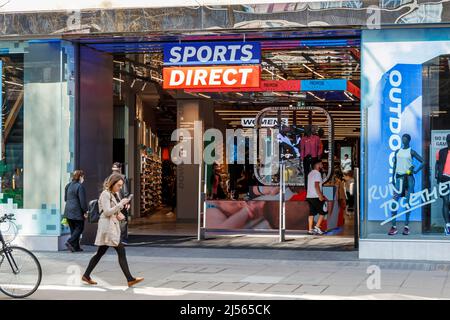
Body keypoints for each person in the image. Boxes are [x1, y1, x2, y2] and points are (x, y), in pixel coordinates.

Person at [82, 173, 144, 287]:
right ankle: (130, 279)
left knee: (100, 253)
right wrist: (121, 204)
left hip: (110, 226)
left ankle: (86, 275)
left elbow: (112, 210)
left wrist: (120, 212)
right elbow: (106, 212)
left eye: (121, 185)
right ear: (113, 183)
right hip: (108, 228)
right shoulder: (105, 194)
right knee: (121, 250)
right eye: (119, 185)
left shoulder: (112, 194)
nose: (120, 188)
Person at [389, 133, 424, 236]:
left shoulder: (411, 152)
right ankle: (394, 226)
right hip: (399, 179)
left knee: (408, 203)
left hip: (408, 179)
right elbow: (395, 165)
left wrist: (415, 171)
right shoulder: (397, 151)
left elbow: (423, 161)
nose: (403, 141)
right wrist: (393, 178)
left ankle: (406, 226)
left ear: (409, 140)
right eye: (402, 139)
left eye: (405, 139)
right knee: (394, 202)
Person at [64, 170, 88, 252]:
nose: (83, 179)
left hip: (68, 211)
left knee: (73, 230)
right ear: (80, 177)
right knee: (79, 228)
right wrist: (85, 211)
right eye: (83, 177)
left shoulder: (68, 185)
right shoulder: (79, 186)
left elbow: (65, 199)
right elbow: (82, 201)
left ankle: (75, 247)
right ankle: (69, 242)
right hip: (77, 212)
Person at [110, 162, 130, 244]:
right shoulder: (122, 177)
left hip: (111, 201)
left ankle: (114, 238)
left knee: (113, 219)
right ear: (120, 168)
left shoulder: (109, 177)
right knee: (123, 220)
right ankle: (123, 239)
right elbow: (125, 191)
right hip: (120, 201)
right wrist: (127, 201)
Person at [306, 159, 327, 235]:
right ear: (317, 164)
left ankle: (310, 229)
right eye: (321, 164)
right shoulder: (317, 173)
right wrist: (320, 196)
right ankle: (317, 227)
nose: (322, 165)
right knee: (323, 211)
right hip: (315, 196)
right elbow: (316, 185)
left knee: (311, 213)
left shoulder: (310, 173)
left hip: (309, 196)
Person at [436, 133, 450, 235]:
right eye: (448, 141)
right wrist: (437, 176)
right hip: (444, 179)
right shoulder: (441, 152)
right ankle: (448, 225)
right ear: (446, 141)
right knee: (445, 201)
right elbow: (437, 164)